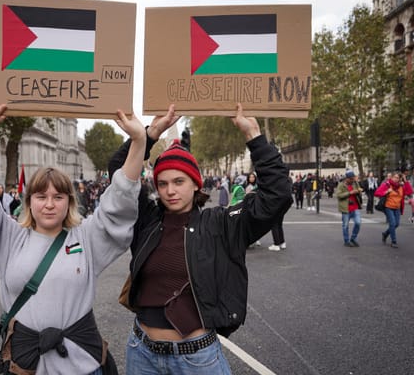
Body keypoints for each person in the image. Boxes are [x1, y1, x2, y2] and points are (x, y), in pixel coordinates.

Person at [0, 103, 147, 375]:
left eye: (58, 197)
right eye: (41, 197)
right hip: (26, 365)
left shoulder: (86, 237)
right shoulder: (8, 237)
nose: (49, 204)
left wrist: (139, 141)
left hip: (83, 365)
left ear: (68, 202)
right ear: (29, 201)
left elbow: (119, 204)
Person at [108, 103, 292, 375]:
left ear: (196, 183)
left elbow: (277, 196)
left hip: (197, 360)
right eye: (162, 183)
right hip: (142, 354)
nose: (170, 191)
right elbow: (119, 171)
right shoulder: (146, 219)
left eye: (179, 181)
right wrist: (152, 132)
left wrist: (253, 134)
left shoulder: (221, 223)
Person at [375, 171, 413, 248]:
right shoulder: (387, 184)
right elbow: (377, 193)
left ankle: (385, 234)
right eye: (395, 177)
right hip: (388, 207)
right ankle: (394, 241)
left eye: (398, 178)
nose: (396, 179)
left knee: (396, 224)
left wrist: (405, 181)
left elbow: (410, 192)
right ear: (391, 177)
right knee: (392, 223)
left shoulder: (401, 186)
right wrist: (386, 192)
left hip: (397, 208)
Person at [336, 170, 363, 247]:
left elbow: (359, 191)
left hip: (355, 207)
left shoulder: (355, 183)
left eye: (353, 178)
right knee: (345, 225)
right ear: (347, 178)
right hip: (346, 208)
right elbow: (338, 195)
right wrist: (350, 193)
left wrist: (358, 191)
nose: (352, 180)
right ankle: (346, 240)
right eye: (351, 178)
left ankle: (353, 238)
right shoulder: (341, 185)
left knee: (358, 223)